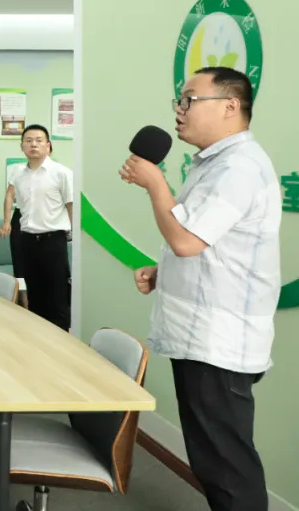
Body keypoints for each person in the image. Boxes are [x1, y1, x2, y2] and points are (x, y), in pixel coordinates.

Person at [119, 67, 279, 511]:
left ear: (230, 106)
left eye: (190, 99)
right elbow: (207, 242)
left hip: (218, 342)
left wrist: (156, 184)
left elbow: (186, 241)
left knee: (228, 470)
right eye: (179, 100)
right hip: (202, 337)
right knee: (215, 463)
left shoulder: (238, 168)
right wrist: (164, 270)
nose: (179, 109)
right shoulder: (214, 164)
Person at [0, 125, 72, 328]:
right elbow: (12, 199)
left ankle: (60, 339)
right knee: (34, 295)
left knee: (57, 295)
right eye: (29, 140)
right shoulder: (18, 174)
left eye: (39, 140)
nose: (34, 144)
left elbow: (71, 205)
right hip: (27, 241)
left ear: (48, 145)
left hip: (53, 240)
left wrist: (74, 235)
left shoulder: (61, 173)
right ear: (22, 146)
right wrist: (7, 221)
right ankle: (37, 336)